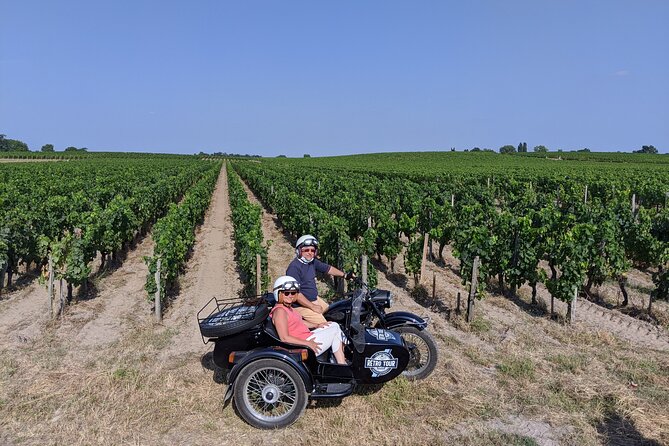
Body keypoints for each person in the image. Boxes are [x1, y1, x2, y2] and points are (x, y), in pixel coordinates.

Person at [270, 276, 347, 365]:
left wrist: (317, 325)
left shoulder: (288, 308)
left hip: (307, 337)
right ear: (278, 294)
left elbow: (300, 322)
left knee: (333, 325)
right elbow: (284, 338)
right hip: (302, 345)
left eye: (293, 293)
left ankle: (338, 362)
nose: (290, 296)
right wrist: (307, 343)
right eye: (287, 293)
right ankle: (341, 364)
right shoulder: (280, 311)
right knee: (334, 330)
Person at [286, 234, 353, 325]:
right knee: (326, 326)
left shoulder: (312, 262)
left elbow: (328, 269)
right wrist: (313, 306)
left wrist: (345, 275)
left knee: (334, 313)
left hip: (314, 299)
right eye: (306, 250)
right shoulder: (294, 268)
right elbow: (296, 294)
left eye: (312, 250)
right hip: (301, 305)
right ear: (299, 251)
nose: (310, 253)